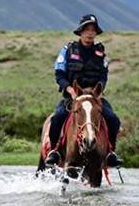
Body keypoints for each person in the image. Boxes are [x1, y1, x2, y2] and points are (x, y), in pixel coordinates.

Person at [45, 14, 122, 168]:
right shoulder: (68, 50)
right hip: (72, 96)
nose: (90, 33)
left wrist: (98, 91)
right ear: (80, 31)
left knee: (113, 119)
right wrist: (71, 91)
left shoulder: (101, 53)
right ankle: (54, 151)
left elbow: (103, 76)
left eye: (93, 30)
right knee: (58, 117)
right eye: (86, 29)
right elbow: (59, 75)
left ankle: (110, 153)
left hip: (94, 97)